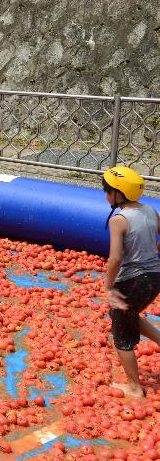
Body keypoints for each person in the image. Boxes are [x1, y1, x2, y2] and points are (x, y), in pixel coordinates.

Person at [102, 166, 160, 399]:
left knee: (122, 335)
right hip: (155, 277)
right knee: (129, 313)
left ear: (118, 193)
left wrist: (109, 286)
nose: (105, 195)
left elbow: (115, 258)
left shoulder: (119, 219)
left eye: (107, 191)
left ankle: (135, 388)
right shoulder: (150, 210)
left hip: (133, 280)